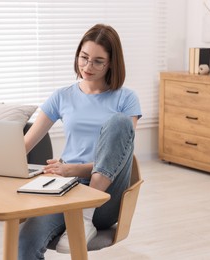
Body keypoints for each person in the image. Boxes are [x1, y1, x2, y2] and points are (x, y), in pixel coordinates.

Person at [19, 23, 142, 259]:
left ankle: (85, 218)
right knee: (24, 241)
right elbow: (24, 144)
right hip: (67, 185)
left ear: (111, 64)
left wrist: (75, 168)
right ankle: (79, 212)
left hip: (105, 197)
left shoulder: (126, 99)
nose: (87, 67)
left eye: (98, 61)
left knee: (119, 123)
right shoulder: (62, 96)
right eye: (83, 58)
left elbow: (120, 156)